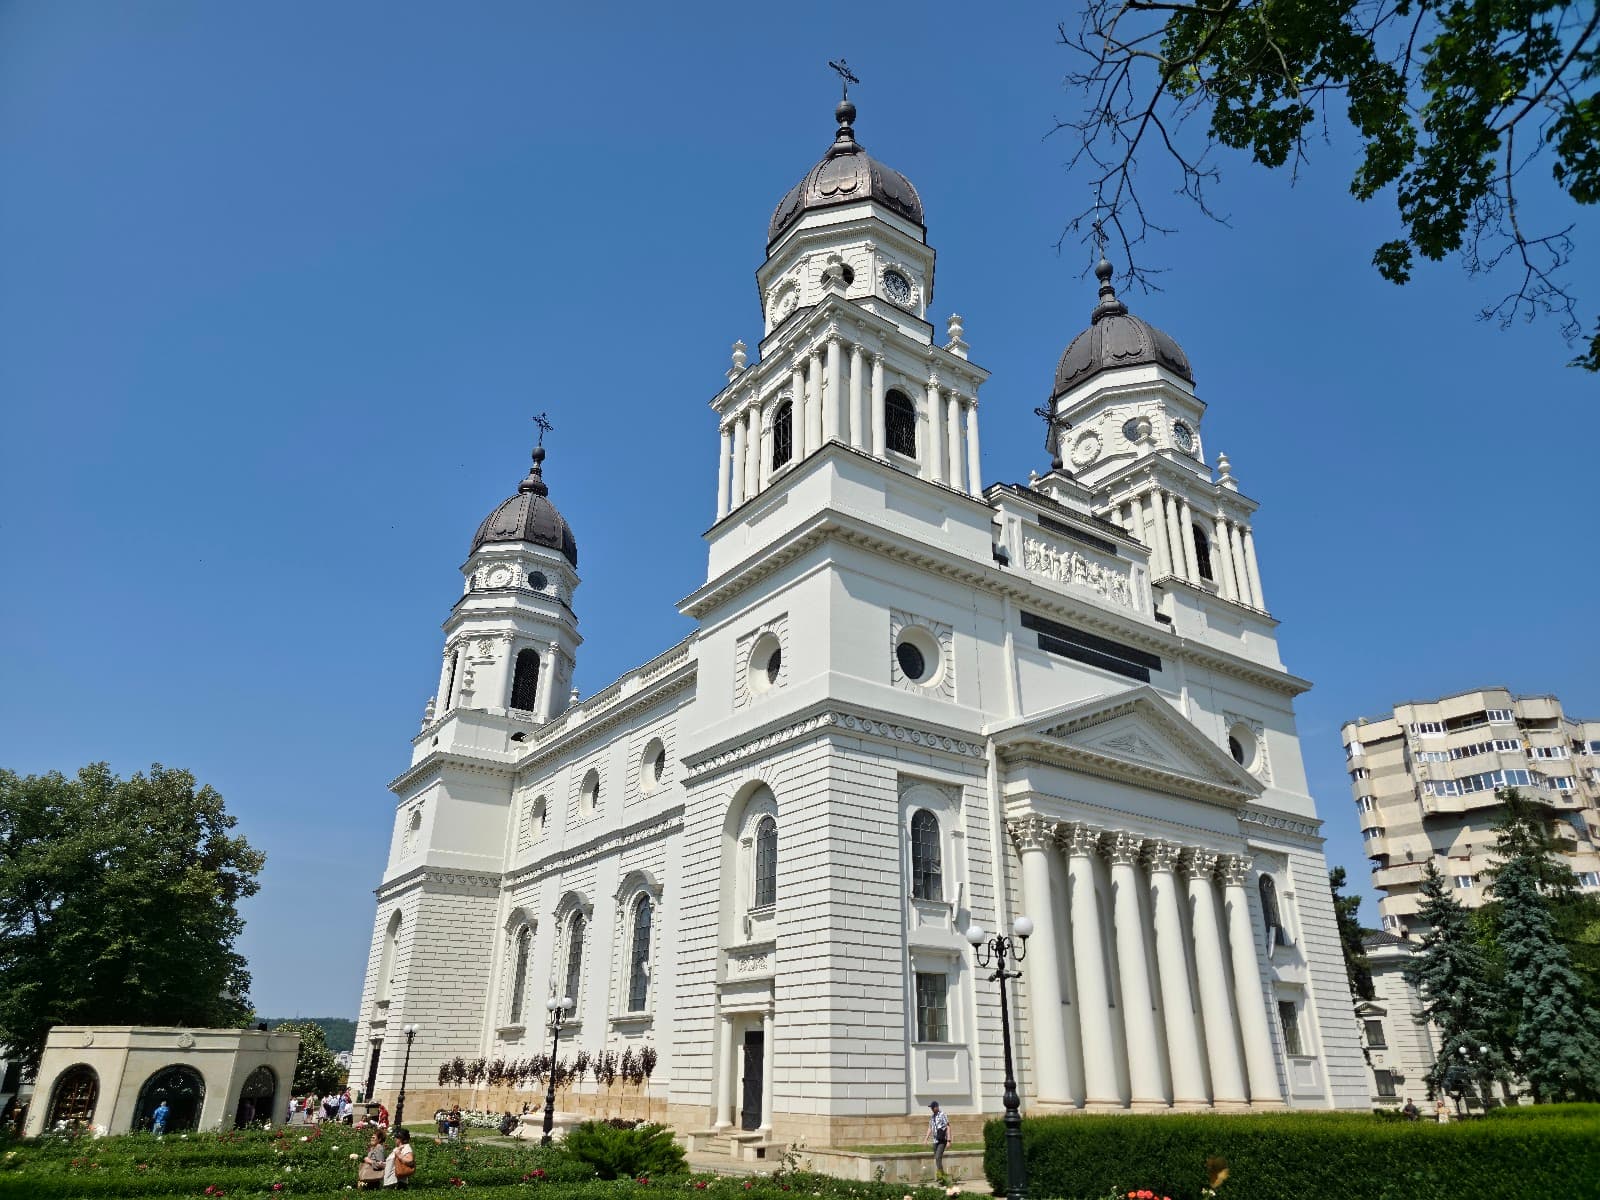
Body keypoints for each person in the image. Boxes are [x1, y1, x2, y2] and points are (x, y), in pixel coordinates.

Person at [927, 1100, 949, 1180]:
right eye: (931, 1108)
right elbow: (930, 1128)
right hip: (935, 1141)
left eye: (933, 1107)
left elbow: (948, 1127)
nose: (932, 1109)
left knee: (938, 1157)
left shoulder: (943, 1114)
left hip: (942, 1140)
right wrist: (926, 1139)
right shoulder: (932, 1117)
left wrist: (949, 1141)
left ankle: (941, 1177)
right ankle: (942, 1176)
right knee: (937, 1159)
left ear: (937, 1107)